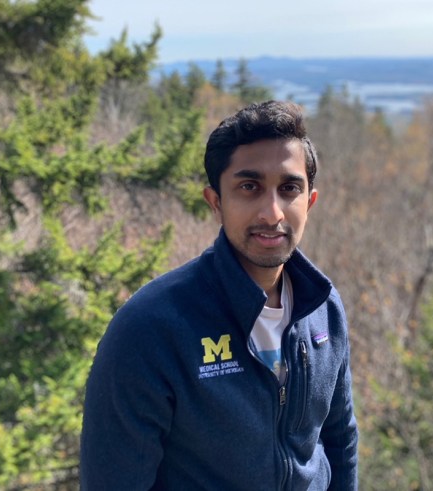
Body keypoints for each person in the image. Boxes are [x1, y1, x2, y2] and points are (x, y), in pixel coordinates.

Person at [80, 100, 358, 490]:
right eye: (249, 187)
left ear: (309, 202)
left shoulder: (323, 308)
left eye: (289, 188)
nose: (272, 212)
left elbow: (339, 440)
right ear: (216, 202)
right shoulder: (151, 328)